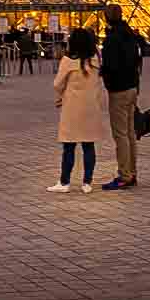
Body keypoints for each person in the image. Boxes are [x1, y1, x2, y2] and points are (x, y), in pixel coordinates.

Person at [50, 27, 104, 193]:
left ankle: (64, 182)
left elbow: (57, 84)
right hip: (91, 107)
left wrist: (60, 97)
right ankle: (87, 182)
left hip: (72, 107)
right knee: (89, 146)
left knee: (69, 147)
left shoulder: (68, 61)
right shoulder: (95, 60)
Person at [99, 5, 142, 191]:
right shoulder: (130, 34)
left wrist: (104, 76)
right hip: (132, 87)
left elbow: (111, 66)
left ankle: (124, 175)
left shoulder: (112, 40)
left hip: (119, 90)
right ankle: (131, 172)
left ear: (106, 19)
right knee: (130, 133)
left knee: (121, 134)